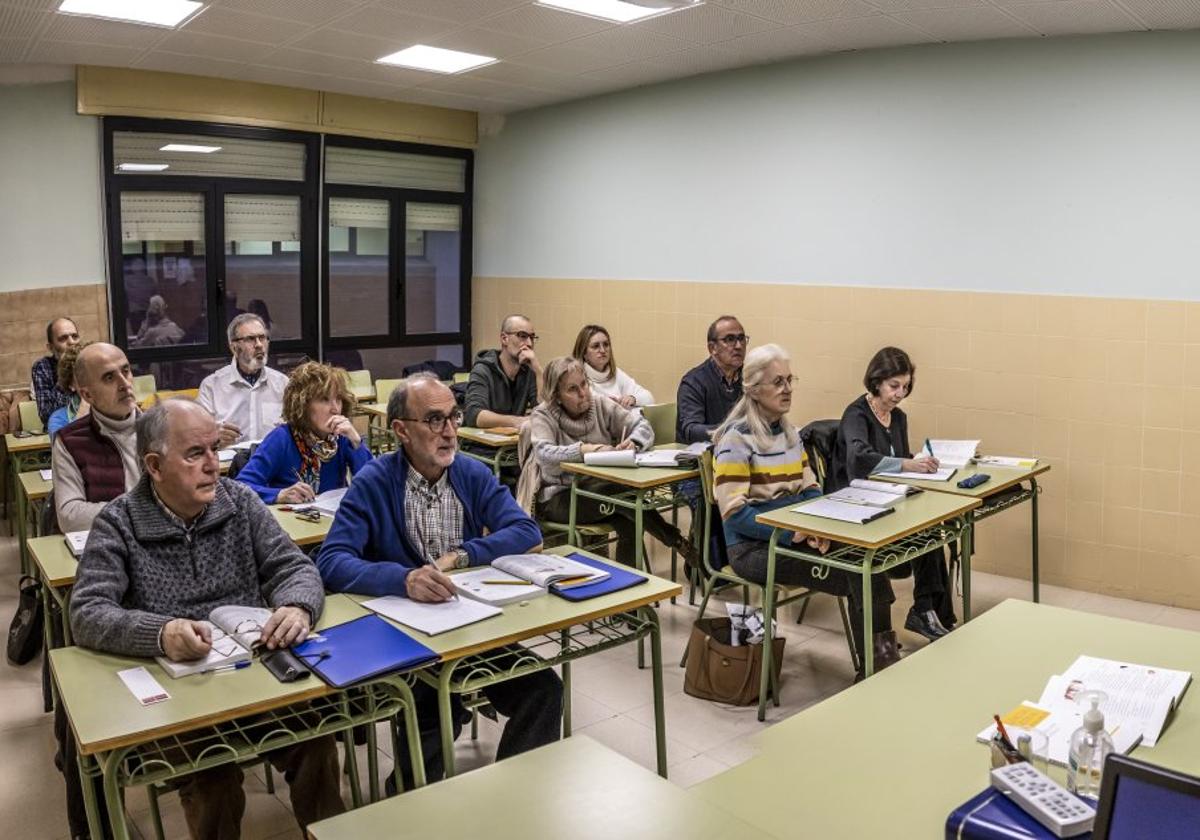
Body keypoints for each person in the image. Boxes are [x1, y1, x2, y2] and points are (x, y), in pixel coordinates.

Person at [69, 399, 345, 838]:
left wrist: (297, 605)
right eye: (195, 454)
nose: (213, 466)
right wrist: (159, 632)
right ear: (155, 466)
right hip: (184, 697)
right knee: (212, 780)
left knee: (317, 741)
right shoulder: (118, 522)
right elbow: (86, 612)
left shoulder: (240, 501)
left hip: (256, 678)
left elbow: (294, 567)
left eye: (215, 449)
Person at [316, 374, 561, 790]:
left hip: (467, 628)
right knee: (433, 711)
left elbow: (525, 531)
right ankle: (407, 804)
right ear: (401, 430)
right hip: (408, 639)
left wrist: (466, 555)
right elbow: (332, 562)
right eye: (434, 420)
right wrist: (403, 578)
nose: (449, 431)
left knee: (544, 691)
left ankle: (515, 802)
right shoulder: (375, 481)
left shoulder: (469, 473)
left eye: (453, 417)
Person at [712, 344, 901, 679]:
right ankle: (875, 670)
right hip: (752, 547)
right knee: (858, 573)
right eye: (777, 382)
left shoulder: (789, 433)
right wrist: (792, 532)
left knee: (870, 561)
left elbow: (811, 488)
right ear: (755, 390)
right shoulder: (735, 440)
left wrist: (817, 529)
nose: (787, 389)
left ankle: (881, 663)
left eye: (789, 380)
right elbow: (735, 514)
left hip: (796, 534)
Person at [829, 346, 956, 640]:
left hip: (887, 497)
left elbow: (898, 457)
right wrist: (906, 463)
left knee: (932, 532)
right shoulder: (856, 414)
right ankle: (928, 613)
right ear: (876, 382)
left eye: (905, 387)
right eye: (894, 386)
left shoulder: (897, 418)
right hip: (854, 501)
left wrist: (920, 463)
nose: (900, 393)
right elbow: (860, 457)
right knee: (925, 535)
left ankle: (927, 611)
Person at [525, 356, 697, 567]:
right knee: (622, 496)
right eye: (572, 389)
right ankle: (675, 539)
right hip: (559, 497)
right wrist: (584, 450)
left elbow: (643, 426)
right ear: (556, 396)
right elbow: (545, 456)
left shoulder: (598, 403)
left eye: (584, 384)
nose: (583, 393)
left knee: (631, 522)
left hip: (600, 488)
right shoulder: (543, 415)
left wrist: (634, 442)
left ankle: (629, 589)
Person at [236, 362, 371, 505]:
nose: (335, 409)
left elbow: (372, 486)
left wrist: (356, 443)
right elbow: (240, 488)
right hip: (290, 523)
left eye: (338, 399)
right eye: (324, 399)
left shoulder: (341, 437)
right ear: (303, 405)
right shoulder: (282, 438)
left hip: (333, 520)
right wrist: (278, 495)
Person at [51, 343, 141, 533]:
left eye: (126, 371)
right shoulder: (70, 441)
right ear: (87, 394)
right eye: (109, 377)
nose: (125, 384)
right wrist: (139, 510)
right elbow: (70, 516)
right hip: (110, 546)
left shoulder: (162, 427)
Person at [197, 313, 289, 448]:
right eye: (250, 339)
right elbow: (197, 435)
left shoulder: (282, 383)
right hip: (229, 465)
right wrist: (214, 437)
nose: (259, 345)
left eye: (262, 338)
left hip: (272, 463)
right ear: (234, 347)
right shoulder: (212, 386)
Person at [463, 314, 543, 430]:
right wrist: (516, 421)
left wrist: (538, 371)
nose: (529, 344)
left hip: (512, 443)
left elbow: (544, 412)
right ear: (504, 338)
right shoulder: (483, 370)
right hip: (481, 444)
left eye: (532, 337)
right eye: (522, 336)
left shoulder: (528, 371)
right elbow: (474, 415)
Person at [676, 315, 747, 443]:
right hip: (701, 455)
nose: (738, 346)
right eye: (730, 339)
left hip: (741, 452)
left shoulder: (750, 377)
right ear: (712, 348)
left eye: (741, 338)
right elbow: (691, 430)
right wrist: (734, 431)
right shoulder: (694, 382)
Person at [572, 324, 654, 408]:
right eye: (596, 346)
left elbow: (649, 398)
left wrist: (633, 398)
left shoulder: (615, 373)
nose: (603, 350)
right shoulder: (578, 378)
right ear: (584, 353)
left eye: (606, 344)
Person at [31, 316, 81, 425]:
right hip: (59, 430)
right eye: (63, 338)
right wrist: (66, 372)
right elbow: (46, 416)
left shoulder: (90, 362)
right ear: (51, 347)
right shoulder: (42, 367)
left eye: (75, 336)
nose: (71, 342)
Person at [46, 342, 89, 440]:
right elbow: (66, 450)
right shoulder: (59, 419)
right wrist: (86, 403)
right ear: (71, 385)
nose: (93, 379)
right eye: (83, 375)